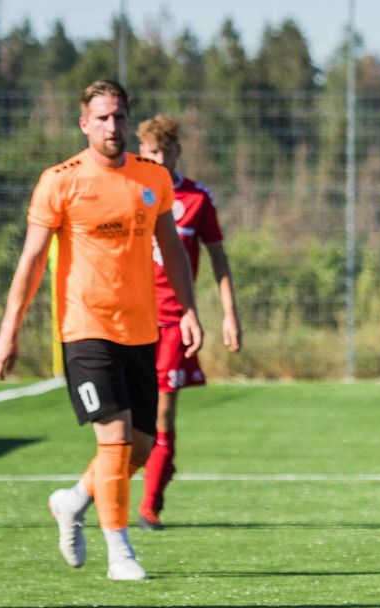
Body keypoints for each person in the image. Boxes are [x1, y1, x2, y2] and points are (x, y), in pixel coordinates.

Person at [0, 80, 203, 581]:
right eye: (102, 118)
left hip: (142, 330)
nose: (113, 126)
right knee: (114, 439)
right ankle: (119, 551)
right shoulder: (60, 181)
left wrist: (190, 309)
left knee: (144, 445)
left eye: (120, 117)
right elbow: (33, 259)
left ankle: (73, 499)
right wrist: (9, 330)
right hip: (85, 328)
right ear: (84, 124)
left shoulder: (151, 178)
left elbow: (171, 248)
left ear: (129, 120)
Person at [135, 115, 242, 530]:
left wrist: (230, 315)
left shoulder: (196, 199)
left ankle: (149, 505)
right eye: (147, 155)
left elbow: (218, 258)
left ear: (176, 151)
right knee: (128, 419)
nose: (155, 161)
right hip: (130, 319)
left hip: (175, 323)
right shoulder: (132, 193)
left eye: (161, 153)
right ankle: (160, 463)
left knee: (162, 414)